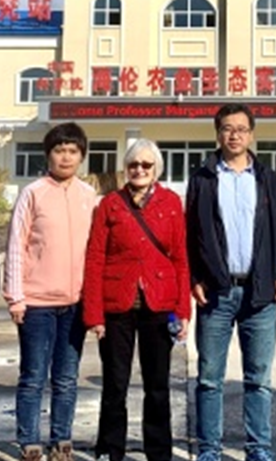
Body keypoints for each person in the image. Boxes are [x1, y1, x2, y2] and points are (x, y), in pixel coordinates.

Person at [186, 103, 276, 461]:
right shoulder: (202, 179)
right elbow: (190, 233)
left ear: (251, 134)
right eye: (227, 128)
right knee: (209, 378)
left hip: (259, 293)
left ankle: (258, 449)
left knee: (258, 379)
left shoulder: (268, 180)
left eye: (241, 129)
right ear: (218, 133)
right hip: (216, 291)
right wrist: (195, 277)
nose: (234, 135)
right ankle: (209, 450)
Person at [83, 139, 191, 461]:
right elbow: (95, 257)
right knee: (115, 384)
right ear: (125, 168)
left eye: (146, 164)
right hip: (117, 305)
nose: (139, 169)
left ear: (157, 169)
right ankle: (110, 450)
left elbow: (180, 259)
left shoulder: (171, 203)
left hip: (159, 305)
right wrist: (94, 314)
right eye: (133, 164)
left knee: (157, 386)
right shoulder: (110, 204)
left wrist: (183, 310)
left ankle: (158, 453)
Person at [4, 122, 98, 461]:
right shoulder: (33, 193)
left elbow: (96, 251)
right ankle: (29, 441)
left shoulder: (88, 196)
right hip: (36, 304)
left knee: (67, 378)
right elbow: (16, 245)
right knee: (33, 376)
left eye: (73, 151)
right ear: (48, 155)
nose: (66, 157)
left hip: (75, 303)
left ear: (82, 156)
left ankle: (62, 440)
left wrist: (94, 301)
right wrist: (16, 296)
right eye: (59, 150)